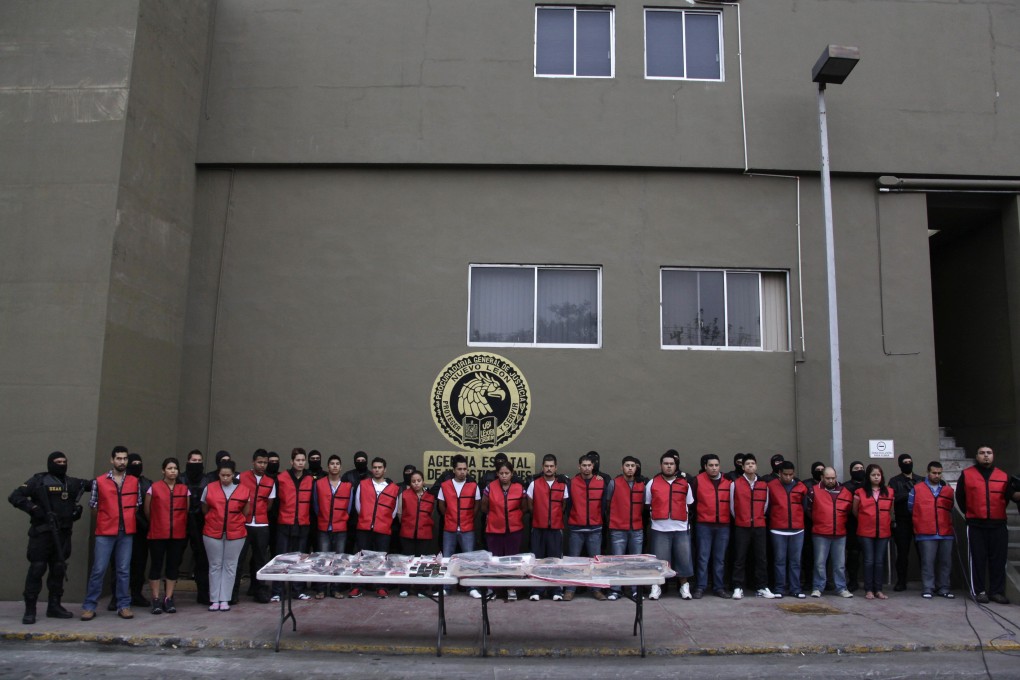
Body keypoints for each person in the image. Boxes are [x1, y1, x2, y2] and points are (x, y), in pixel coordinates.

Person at [8, 451, 90, 624]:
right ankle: (30, 609)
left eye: (64, 461)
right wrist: (33, 508)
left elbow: (95, 485)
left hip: (63, 534)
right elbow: (15, 496)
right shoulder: (38, 480)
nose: (61, 464)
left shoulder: (72, 483)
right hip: (42, 534)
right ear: (50, 463)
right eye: (57, 461)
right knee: (37, 569)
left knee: (58, 569)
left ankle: (54, 606)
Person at [81, 446, 143, 620]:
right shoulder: (99, 481)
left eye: (124, 458)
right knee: (99, 569)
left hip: (126, 531)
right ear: (112, 460)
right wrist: (107, 518)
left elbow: (136, 504)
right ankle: (89, 606)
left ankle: (123, 605)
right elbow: (93, 506)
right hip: (105, 531)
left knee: (124, 570)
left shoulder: (133, 481)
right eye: (119, 458)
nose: (122, 461)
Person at [956, 445, 1012, 604]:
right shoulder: (967, 474)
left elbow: (1006, 498)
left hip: (998, 524)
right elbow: (960, 497)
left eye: (989, 453)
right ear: (977, 456)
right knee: (977, 559)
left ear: (993, 456)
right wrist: (971, 514)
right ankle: (979, 591)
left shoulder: (1003, 476)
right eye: (982, 453)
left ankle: (996, 592)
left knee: (999, 560)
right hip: (976, 525)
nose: (985, 456)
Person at [202, 459, 252, 611]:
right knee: (215, 565)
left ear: (233, 475)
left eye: (228, 475)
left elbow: (246, 511)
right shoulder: (209, 488)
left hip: (236, 533)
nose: (225, 478)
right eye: (222, 475)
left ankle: (225, 599)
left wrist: (236, 521)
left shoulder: (244, 490)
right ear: (218, 474)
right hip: (212, 532)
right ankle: (214, 599)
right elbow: (205, 508)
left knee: (230, 565)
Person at [646, 450, 694, 600]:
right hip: (660, 528)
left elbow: (689, 503)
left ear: (676, 466)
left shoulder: (685, 484)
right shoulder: (652, 483)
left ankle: (684, 587)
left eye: (671, 464)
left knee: (684, 560)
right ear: (661, 465)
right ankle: (656, 587)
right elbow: (648, 504)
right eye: (666, 464)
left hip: (680, 528)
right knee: (659, 561)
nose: (668, 466)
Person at [144, 457, 190, 615]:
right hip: (157, 533)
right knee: (156, 565)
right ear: (163, 470)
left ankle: (168, 598)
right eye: (169, 468)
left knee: (172, 567)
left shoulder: (184, 489)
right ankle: (156, 599)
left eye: (175, 468)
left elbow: (187, 510)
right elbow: (148, 510)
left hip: (177, 534)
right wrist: (158, 523)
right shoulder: (154, 488)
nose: (173, 471)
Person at [271, 448, 315, 602]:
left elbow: (312, 503)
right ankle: (277, 591)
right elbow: (275, 502)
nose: (301, 463)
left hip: (303, 524)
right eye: (298, 460)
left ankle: (298, 590)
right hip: (284, 523)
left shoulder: (310, 479)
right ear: (291, 461)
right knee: (281, 558)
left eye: (303, 460)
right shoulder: (281, 478)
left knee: (301, 559)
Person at [353, 456, 399, 598]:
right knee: (362, 559)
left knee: (382, 559)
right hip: (364, 528)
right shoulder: (363, 484)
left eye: (380, 467)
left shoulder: (393, 488)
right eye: (375, 467)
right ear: (372, 469)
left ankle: (381, 586)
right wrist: (368, 519)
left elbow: (394, 511)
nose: (377, 470)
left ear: (385, 469)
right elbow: (358, 506)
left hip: (383, 529)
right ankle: (358, 586)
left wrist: (381, 522)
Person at [730, 453, 775, 599]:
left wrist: (757, 518)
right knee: (739, 558)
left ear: (756, 466)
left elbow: (766, 505)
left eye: (753, 463)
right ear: (742, 467)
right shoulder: (735, 484)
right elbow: (732, 506)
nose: (750, 466)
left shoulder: (763, 484)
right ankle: (738, 587)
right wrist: (742, 519)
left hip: (759, 525)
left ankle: (762, 586)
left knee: (761, 558)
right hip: (741, 526)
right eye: (747, 464)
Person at [908, 461, 956, 599]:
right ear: (927, 472)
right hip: (925, 532)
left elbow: (951, 508)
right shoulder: (917, 489)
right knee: (927, 562)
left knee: (945, 563)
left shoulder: (948, 490)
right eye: (934, 473)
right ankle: (928, 588)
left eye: (939, 473)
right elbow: (911, 508)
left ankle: (944, 588)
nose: (936, 475)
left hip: (945, 532)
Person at [564, 453, 608, 601]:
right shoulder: (572, 482)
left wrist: (597, 519)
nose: (587, 468)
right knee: (574, 562)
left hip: (595, 529)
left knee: (595, 561)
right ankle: (570, 589)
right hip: (576, 528)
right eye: (584, 465)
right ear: (579, 466)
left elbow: (603, 506)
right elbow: (568, 504)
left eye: (589, 465)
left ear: (593, 466)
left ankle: (596, 589)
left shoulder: (601, 482)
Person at [437, 454, 482, 598]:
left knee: (469, 559)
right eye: (459, 469)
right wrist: (451, 517)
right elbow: (441, 506)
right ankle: (446, 587)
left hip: (467, 528)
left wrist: (466, 518)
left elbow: (477, 506)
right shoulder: (445, 485)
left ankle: (471, 587)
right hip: (449, 528)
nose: (463, 472)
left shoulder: (473, 486)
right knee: (448, 559)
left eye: (465, 469)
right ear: (453, 470)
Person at [482, 461, 527, 601]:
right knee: (495, 560)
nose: (504, 476)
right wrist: (494, 517)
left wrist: (516, 517)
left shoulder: (519, 488)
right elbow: (484, 507)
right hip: (494, 530)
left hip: (514, 530)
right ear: (497, 474)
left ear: (512, 474)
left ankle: (511, 588)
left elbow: (524, 508)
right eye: (501, 473)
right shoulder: (490, 487)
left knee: (511, 561)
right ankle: (493, 589)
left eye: (507, 473)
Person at [807, 467, 854, 599]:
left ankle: (841, 588)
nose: (831, 480)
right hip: (820, 533)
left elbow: (849, 511)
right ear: (822, 477)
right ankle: (817, 587)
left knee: (839, 564)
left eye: (833, 478)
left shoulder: (845, 492)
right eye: (828, 478)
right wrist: (819, 520)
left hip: (840, 533)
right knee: (819, 563)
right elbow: (809, 510)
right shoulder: (814, 491)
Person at [527, 454, 568, 601]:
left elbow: (563, 504)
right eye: (546, 466)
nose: (549, 469)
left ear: (556, 468)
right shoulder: (534, 484)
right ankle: (536, 590)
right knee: (537, 561)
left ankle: (555, 590)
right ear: (542, 467)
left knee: (555, 561)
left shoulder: (562, 485)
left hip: (555, 529)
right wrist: (541, 517)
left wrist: (553, 518)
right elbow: (530, 504)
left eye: (552, 466)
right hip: (538, 528)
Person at [605, 455, 647, 600]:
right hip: (618, 528)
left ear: (637, 468)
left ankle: (635, 590)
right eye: (627, 465)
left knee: (635, 562)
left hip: (636, 529)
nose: (630, 468)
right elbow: (608, 503)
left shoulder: (641, 484)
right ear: (622, 467)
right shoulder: (614, 483)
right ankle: (616, 590)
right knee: (618, 561)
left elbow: (643, 506)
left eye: (632, 466)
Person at [690, 453, 731, 599]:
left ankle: (718, 587)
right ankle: (700, 586)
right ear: (705, 467)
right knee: (703, 557)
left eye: (716, 465)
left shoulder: (728, 481)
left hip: (723, 525)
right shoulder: (698, 481)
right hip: (704, 524)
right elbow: (692, 502)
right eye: (711, 466)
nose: (714, 468)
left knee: (719, 558)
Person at [312, 454, 353, 598]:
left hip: (341, 528)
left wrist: (342, 518)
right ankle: (321, 589)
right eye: (332, 463)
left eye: (337, 463)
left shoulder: (347, 486)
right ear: (328, 466)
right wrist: (324, 517)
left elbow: (349, 507)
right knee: (323, 559)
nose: (334, 466)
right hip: (323, 527)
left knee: (339, 560)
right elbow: (316, 505)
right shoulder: (319, 484)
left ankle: (336, 588)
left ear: (340, 467)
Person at [238, 449, 275, 602]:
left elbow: (269, 504)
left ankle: (259, 590)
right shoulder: (241, 477)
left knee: (260, 559)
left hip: (261, 525)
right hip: (243, 523)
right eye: (260, 462)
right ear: (253, 462)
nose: (262, 465)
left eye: (265, 463)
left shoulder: (270, 481)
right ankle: (233, 593)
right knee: (239, 558)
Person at [852, 464, 893, 600]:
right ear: (868, 476)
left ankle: (878, 589)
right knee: (869, 560)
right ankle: (868, 589)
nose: (876, 477)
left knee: (879, 561)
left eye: (878, 475)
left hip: (883, 531)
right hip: (865, 531)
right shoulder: (860, 492)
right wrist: (866, 520)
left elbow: (891, 511)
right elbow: (855, 511)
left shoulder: (889, 491)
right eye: (873, 475)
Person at [767, 461, 808, 599]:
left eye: (791, 474)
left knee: (795, 561)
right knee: (779, 560)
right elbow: (768, 506)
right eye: (785, 474)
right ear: (779, 473)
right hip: (778, 529)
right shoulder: (771, 486)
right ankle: (779, 588)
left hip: (797, 530)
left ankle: (795, 588)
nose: (788, 477)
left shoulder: (801, 487)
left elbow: (805, 507)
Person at [397, 469, 437, 598]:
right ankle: (404, 587)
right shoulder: (404, 495)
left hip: (424, 533)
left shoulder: (430, 497)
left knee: (422, 562)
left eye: (418, 481)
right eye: (413, 481)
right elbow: (400, 514)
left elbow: (430, 514)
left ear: (423, 481)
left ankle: (421, 588)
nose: (416, 483)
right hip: (407, 533)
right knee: (406, 562)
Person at [889, 453, 924, 592]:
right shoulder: (894, 481)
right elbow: (893, 498)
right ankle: (901, 581)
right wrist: (911, 493)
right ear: (899, 464)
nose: (908, 464)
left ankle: (926, 583)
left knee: (923, 553)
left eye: (910, 461)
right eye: (905, 462)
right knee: (902, 554)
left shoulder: (921, 479)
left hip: (919, 521)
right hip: (902, 521)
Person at [122, 453, 152, 610]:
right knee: (120, 564)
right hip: (123, 528)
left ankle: (136, 594)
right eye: (133, 463)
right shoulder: (121, 481)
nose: (137, 466)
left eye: (139, 463)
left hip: (142, 531)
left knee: (139, 564)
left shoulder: (146, 483)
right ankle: (117, 596)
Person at [183, 449, 211, 604]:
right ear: (188, 461)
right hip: (181, 522)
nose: (196, 464)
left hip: (200, 523)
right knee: (175, 559)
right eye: (194, 461)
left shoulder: (207, 480)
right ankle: (169, 595)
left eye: (199, 461)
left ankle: (203, 593)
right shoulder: (180, 479)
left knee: (202, 559)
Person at [844, 460, 866, 592]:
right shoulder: (846, 486)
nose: (859, 470)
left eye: (861, 468)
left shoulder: (868, 486)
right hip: (851, 525)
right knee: (853, 555)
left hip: (867, 525)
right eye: (856, 468)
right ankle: (852, 581)